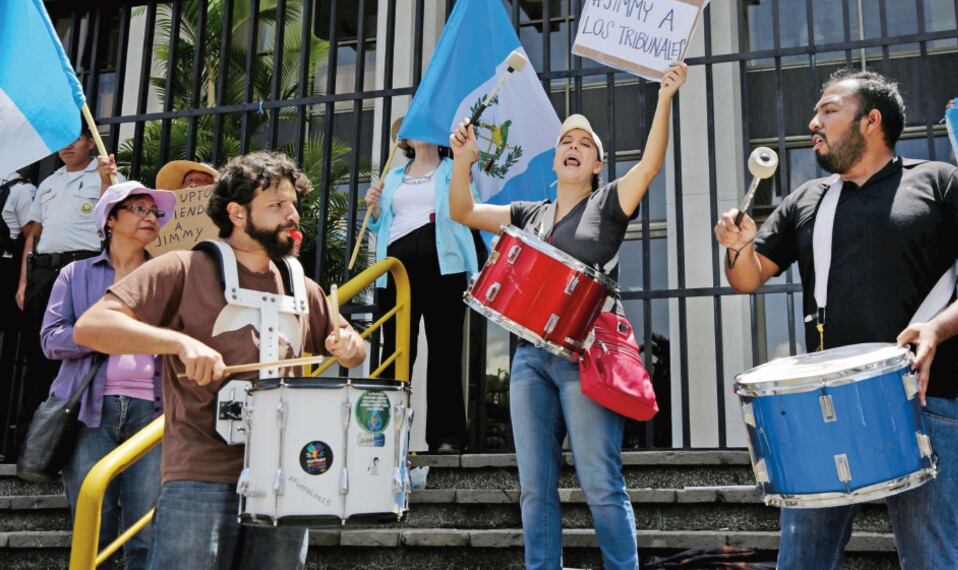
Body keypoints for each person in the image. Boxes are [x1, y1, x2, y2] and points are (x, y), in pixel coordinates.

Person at [713, 69, 958, 570]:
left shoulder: (939, 182)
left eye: (828, 110)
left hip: (923, 402)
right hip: (820, 410)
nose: (813, 122)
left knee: (931, 560)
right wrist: (736, 248)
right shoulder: (807, 199)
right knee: (802, 562)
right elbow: (747, 278)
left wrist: (935, 329)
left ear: (871, 120)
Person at [73, 152, 367, 570]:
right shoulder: (184, 267)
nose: (293, 215)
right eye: (277, 206)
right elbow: (91, 326)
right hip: (201, 473)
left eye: (293, 205)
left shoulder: (303, 285)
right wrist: (179, 344)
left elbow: (349, 343)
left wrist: (350, 346)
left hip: (288, 474)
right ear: (237, 212)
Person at [449, 63, 688, 570]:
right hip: (529, 361)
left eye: (584, 142)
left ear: (598, 163)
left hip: (587, 358)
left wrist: (665, 96)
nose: (572, 146)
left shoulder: (609, 203)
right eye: (565, 142)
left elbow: (649, 165)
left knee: (600, 482)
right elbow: (464, 211)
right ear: (555, 159)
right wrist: (462, 161)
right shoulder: (527, 212)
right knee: (536, 489)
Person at [42, 181, 176, 569]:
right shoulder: (75, 274)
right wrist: (102, 335)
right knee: (92, 526)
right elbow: (51, 340)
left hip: (153, 414)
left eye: (154, 212)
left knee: (144, 532)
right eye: (138, 209)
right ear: (110, 221)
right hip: (88, 411)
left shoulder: (167, 276)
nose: (150, 217)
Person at [364, 131, 478, 453]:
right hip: (397, 271)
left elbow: (467, 208)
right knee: (396, 353)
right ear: (407, 141)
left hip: (445, 267)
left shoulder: (452, 169)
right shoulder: (394, 176)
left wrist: (465, 167)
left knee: (445, 351)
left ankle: (446, 437)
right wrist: (373, 209)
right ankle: (381, 434)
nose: (420, 132)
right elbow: (381, 224)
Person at [15, 125, 116, 443]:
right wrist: (23, 282)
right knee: (38, 351)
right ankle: (34, 443)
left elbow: (111, 217)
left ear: (90, 142)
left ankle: (74, 440)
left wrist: (104, 179)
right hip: (43, 274)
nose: (66, 147)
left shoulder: (108, 177)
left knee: (80, 351)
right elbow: (34, 235)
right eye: (61, 141)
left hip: (83, 269)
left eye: (74, 140)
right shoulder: (48, 183)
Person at [0, 169, 36, 459]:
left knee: (6, 360)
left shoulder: (21, 190)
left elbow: (32, 238)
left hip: (6, 279)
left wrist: (23, 283)